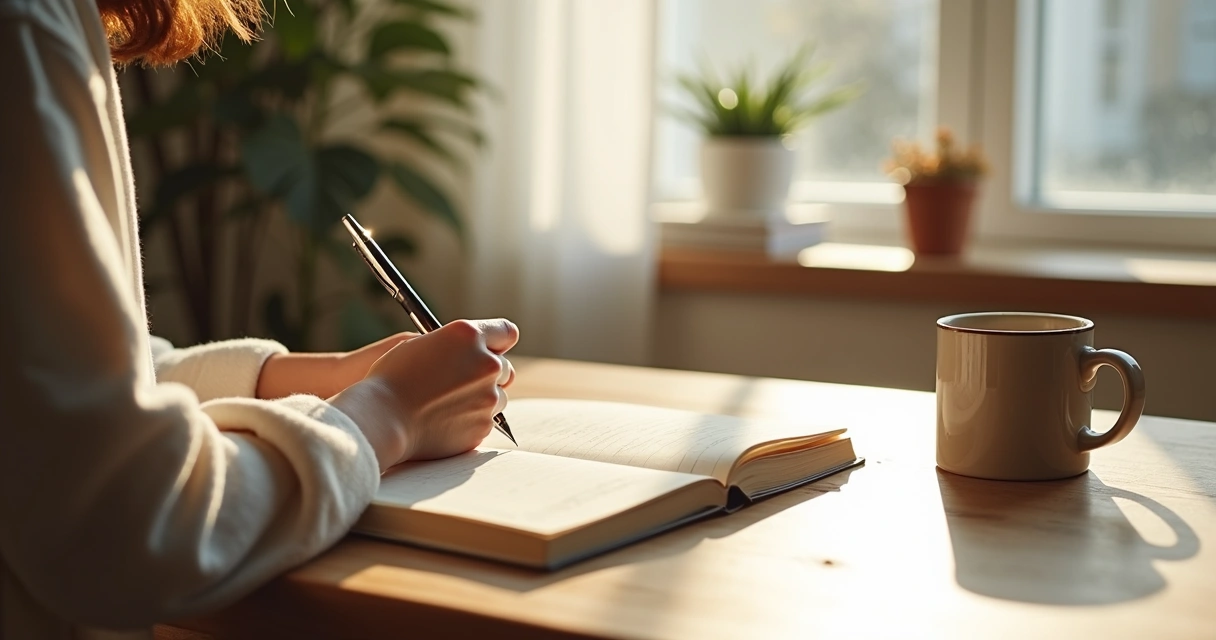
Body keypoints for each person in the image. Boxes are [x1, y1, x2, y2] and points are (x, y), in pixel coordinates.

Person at [0, 0, 517, 636]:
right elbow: (118, 530)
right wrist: (387, 412)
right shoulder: (22, 30)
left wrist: (327, 376)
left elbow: (54, 382)